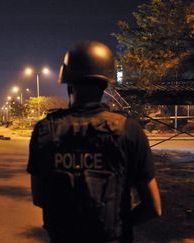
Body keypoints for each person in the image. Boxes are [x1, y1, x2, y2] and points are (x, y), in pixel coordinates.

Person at [27, 41, 161, 243]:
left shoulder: (45, 130)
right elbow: (153, 208)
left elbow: (40, 198)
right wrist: (119, 226)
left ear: (69, 84)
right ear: (105, 84)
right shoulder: (129, 129)